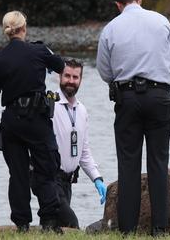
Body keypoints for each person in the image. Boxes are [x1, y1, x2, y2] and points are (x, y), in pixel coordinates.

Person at [96, 0, 170, 235]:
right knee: (158, 163)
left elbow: (104, 71)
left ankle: (128, 230)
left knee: (128, 165)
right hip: (159, 96)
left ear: (118, 4)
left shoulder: (110, 29)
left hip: (127, 98)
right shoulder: (161, 21)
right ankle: (160, 229)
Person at [0, 11, 65, 233]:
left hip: (11, 121)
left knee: (17, 173)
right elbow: (60, 65)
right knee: (46, 168)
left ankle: (21, 224)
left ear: (6, 31)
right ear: (24, 28)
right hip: (37, 119)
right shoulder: (38, 51)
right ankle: (49, 221)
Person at [45, 58, 107, 228]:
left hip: (68, 181)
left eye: (75, 77)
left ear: (81, 79)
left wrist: (97, 178)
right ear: (59, 76)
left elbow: (83, 151)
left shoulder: (81, 110)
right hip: (50, 179)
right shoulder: (49, 104)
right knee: (72, 224)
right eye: (67, 76)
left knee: (55, 227)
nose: (71, 81)